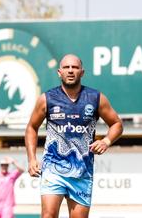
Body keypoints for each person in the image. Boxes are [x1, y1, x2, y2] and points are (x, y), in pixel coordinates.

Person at [24, 54, 124, 218]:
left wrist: (106, 141)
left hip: (82, 172)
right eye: (66, 67)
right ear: (59, 72)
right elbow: (31, 128)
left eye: (75, 67)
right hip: (53, 169)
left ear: (82, 72)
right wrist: (31, 159)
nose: (71, 71)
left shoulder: (96, 98)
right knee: (48, 215)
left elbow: (117, 124)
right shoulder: (46, 99)